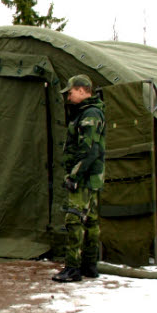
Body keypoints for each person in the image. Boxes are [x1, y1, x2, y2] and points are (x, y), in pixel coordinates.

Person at [52, 75, 106, 283]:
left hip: (84, 177)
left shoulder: (90, 114)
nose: (68, 97)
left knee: (74, 220)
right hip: (91, 177)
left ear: (83, 90)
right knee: (91, 220)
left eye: (71, 92)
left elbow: (89, 150)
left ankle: (73, 268)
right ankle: (89, 265)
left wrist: (74, 175)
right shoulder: (89, 112)